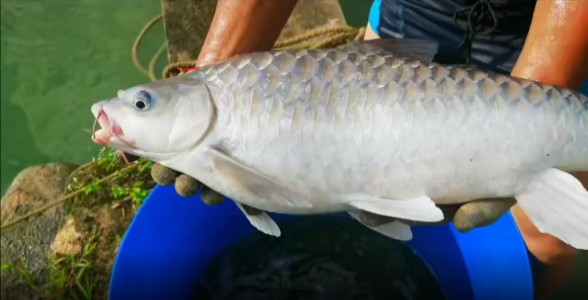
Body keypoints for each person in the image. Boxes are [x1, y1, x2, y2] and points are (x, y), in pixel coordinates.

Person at [150, 0, 588, 298]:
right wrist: (211, 79)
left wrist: (534, 119)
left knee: (542, 236)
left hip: (544, 24)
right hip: (411, 15)